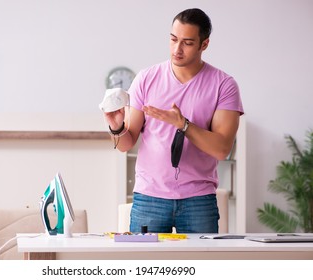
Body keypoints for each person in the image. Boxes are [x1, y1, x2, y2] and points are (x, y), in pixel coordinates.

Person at [103, 8, 244, 233]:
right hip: (149, 198)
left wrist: (184, 125)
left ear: (204, 44)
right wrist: (117, 126)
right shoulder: (146, 78)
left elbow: (221, 149)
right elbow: (125, 145)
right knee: (145, 267)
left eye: (187, 43)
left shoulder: (224, 85)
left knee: (201, 267)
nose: (177, 49)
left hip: (199, 199)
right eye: (173, 39)